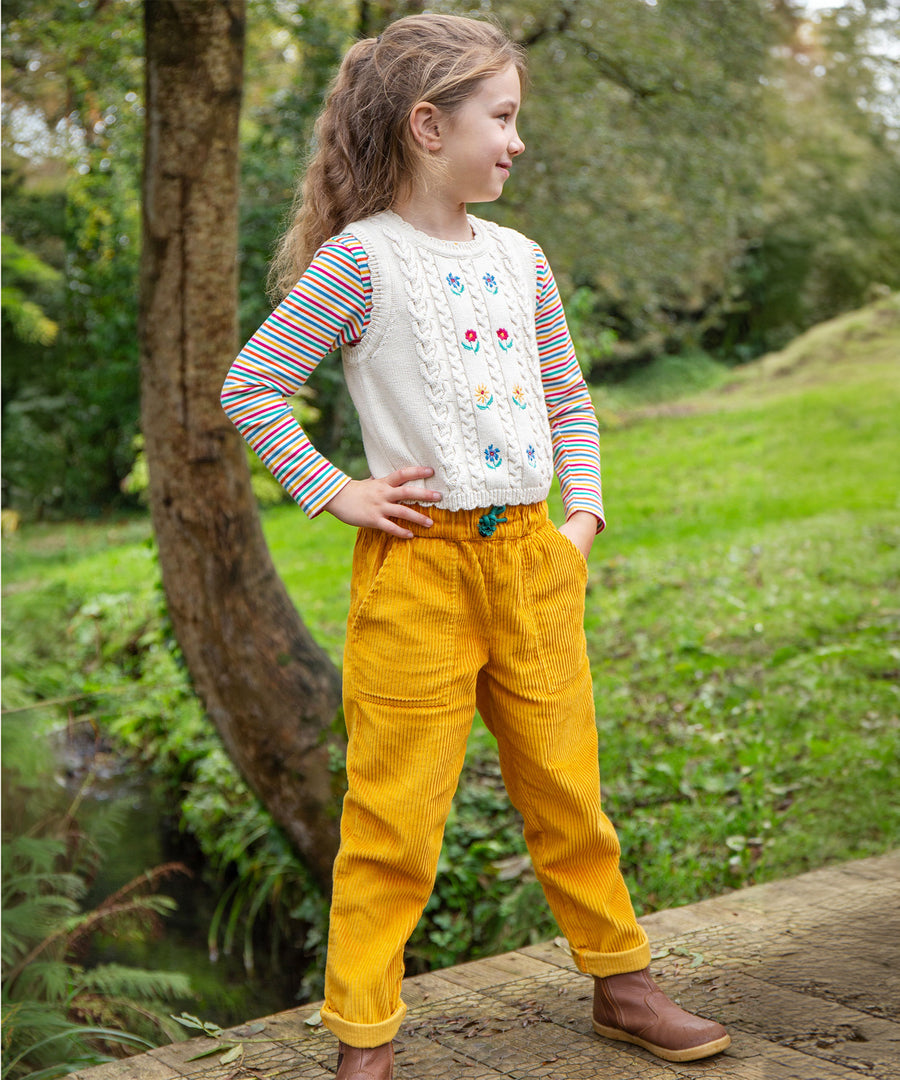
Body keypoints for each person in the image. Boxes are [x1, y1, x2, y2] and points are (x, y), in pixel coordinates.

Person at [221, 13, 730, 1079]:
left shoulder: (522, 260)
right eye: (501, 117)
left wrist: (579, 522)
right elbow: (252, 385)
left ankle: (623, 985)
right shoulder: (361, 262)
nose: (517, 140)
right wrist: (335, 491)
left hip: (532, 562)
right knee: (392, 818)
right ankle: (366, 1038)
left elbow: (570, 400)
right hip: (416, 573)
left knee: (568, 792)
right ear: (425, 125)